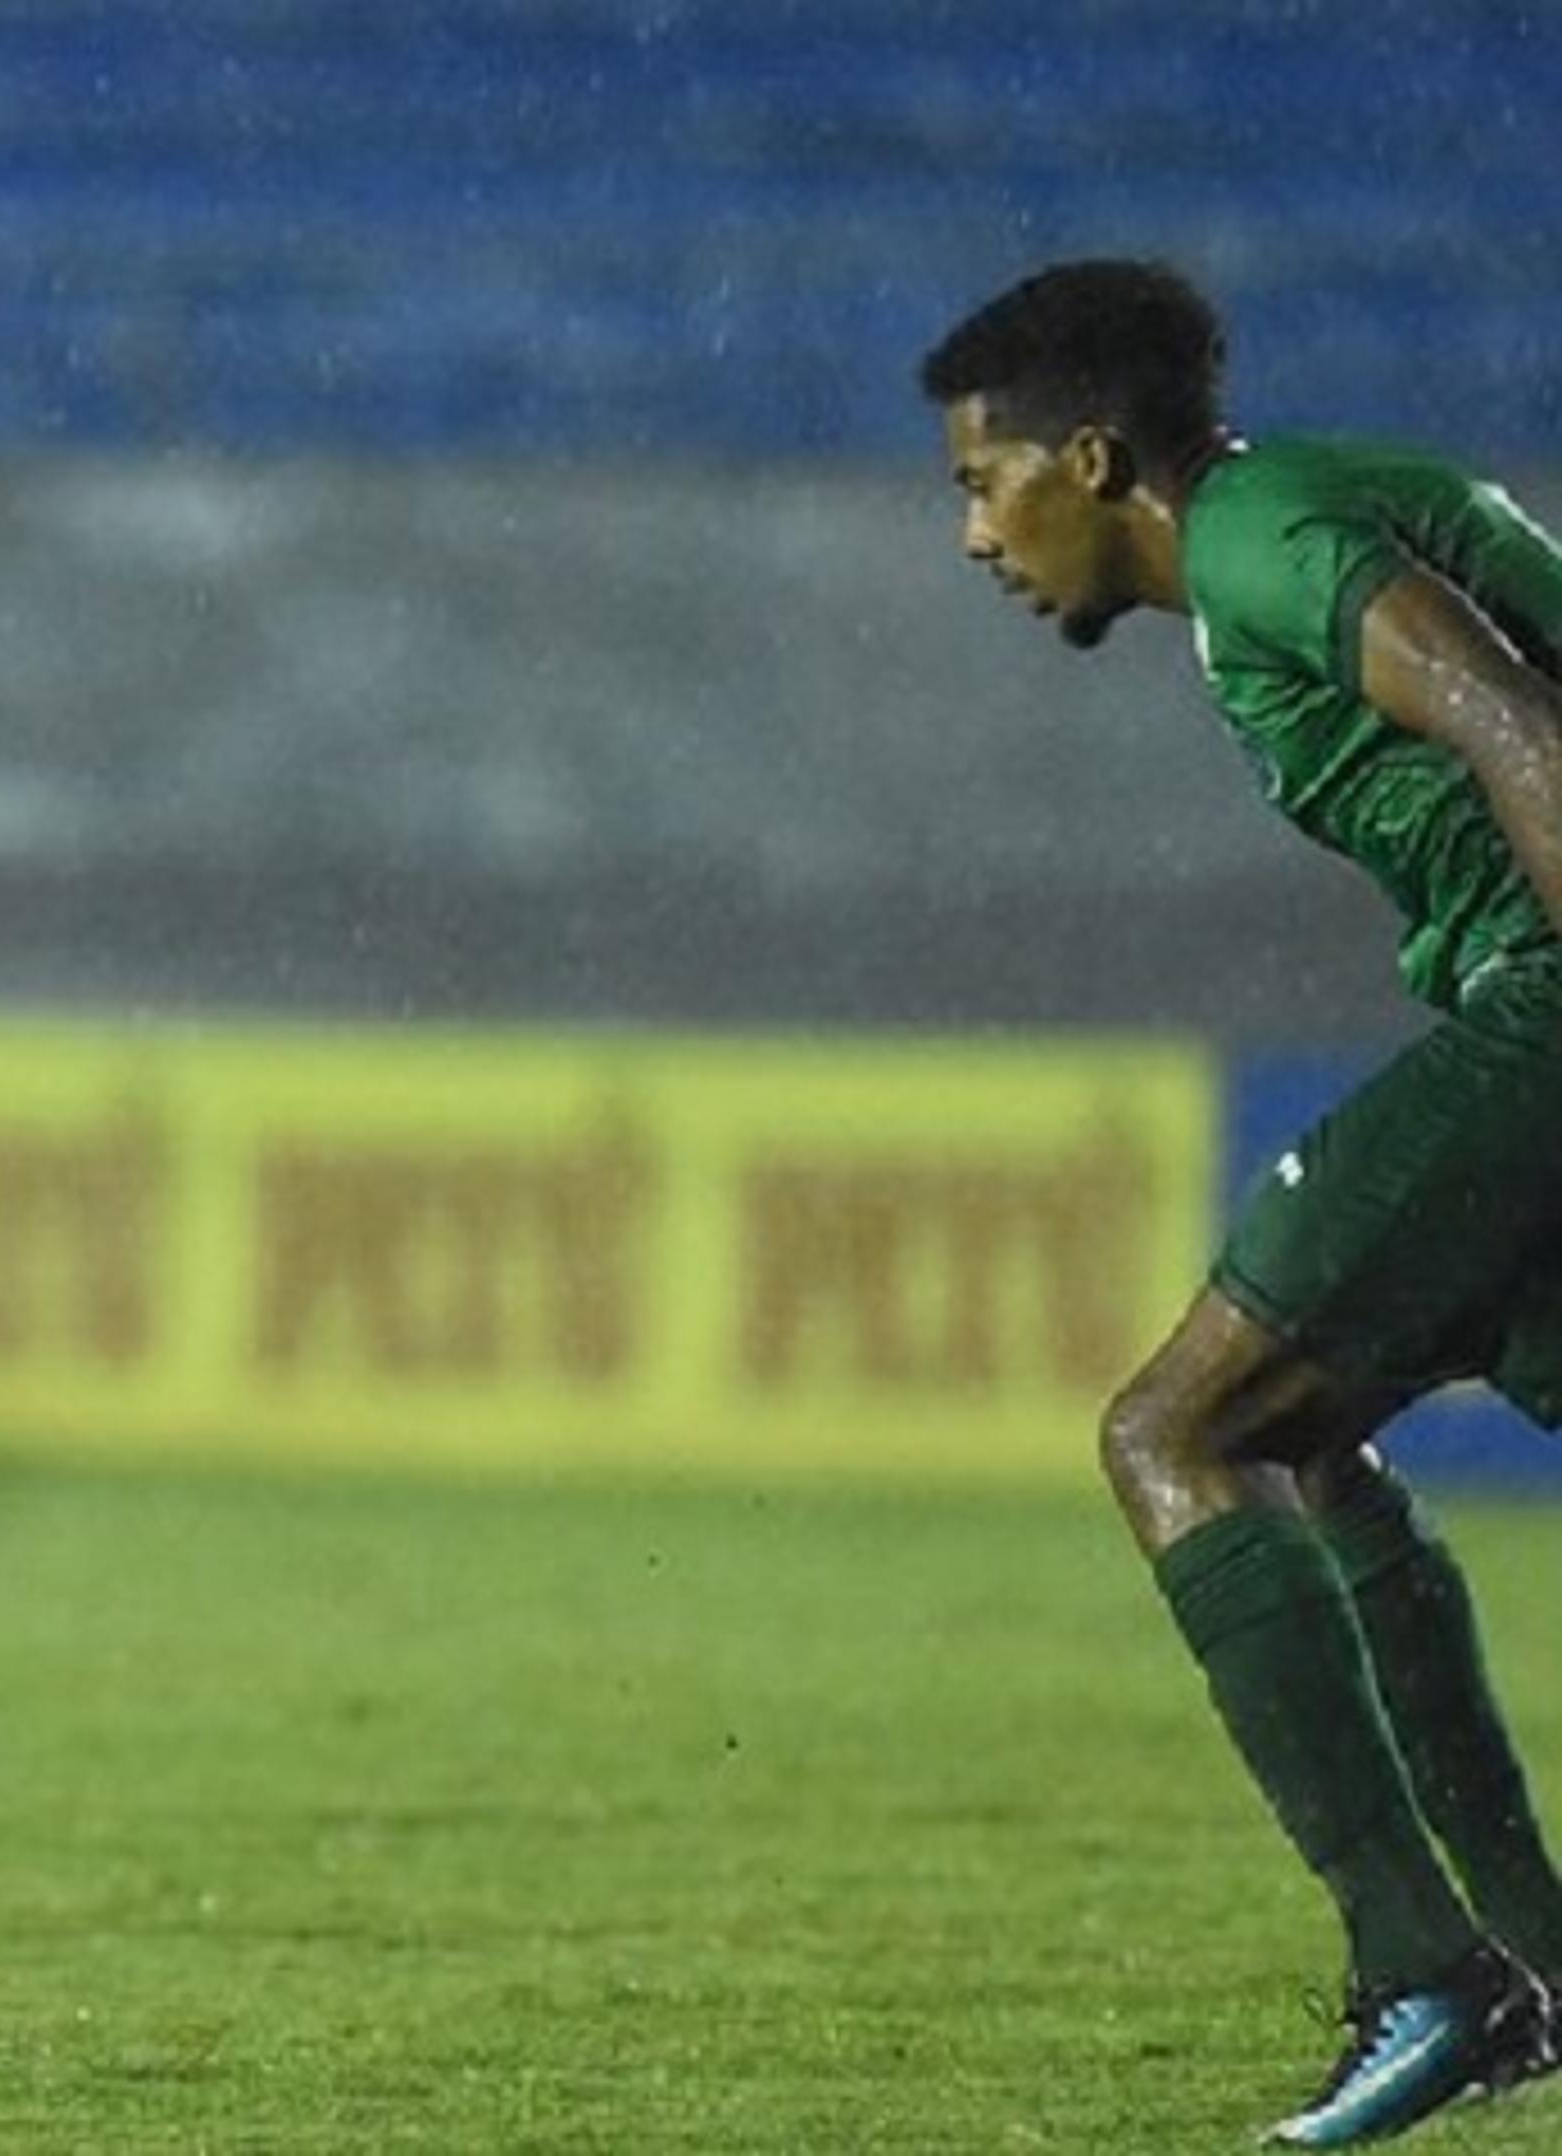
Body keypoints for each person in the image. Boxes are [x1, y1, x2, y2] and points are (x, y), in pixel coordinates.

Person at [923, 257, 1562, 2147]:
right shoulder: (1292, 516)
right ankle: (1519, 1955)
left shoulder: (1273, 538)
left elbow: (1515, 717)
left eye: (983, 482)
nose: (971, 533)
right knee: (1306, 1442)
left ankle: (1436, 1972)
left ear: (1097, 460)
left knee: (1174, 1432)